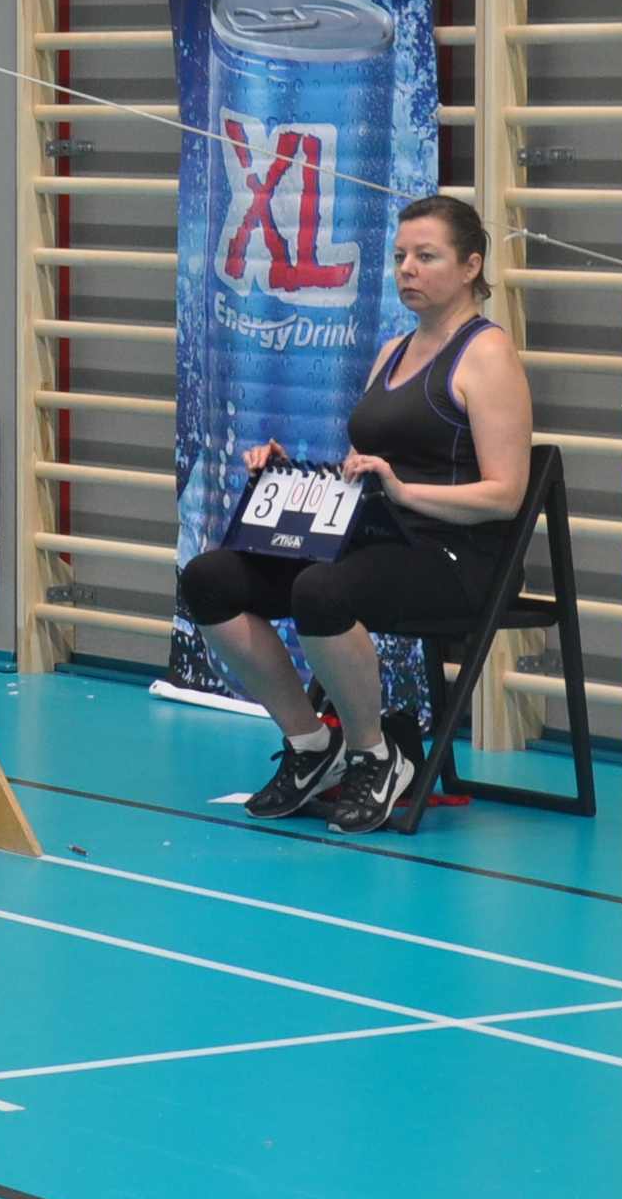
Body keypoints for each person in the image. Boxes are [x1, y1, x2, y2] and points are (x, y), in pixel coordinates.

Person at [176, 193, 532, 835]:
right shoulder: (393, 352)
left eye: (427, 257)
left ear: (471, 266)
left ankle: (377, 755)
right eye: (400, 257)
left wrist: (405, 492)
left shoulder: (487, 354)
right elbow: (359, 473)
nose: (407, 270)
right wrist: (286, 474)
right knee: (210, 579)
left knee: (322, 591)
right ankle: (314, 745)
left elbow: (506, 494)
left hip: (458, 558)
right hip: (376, 544)